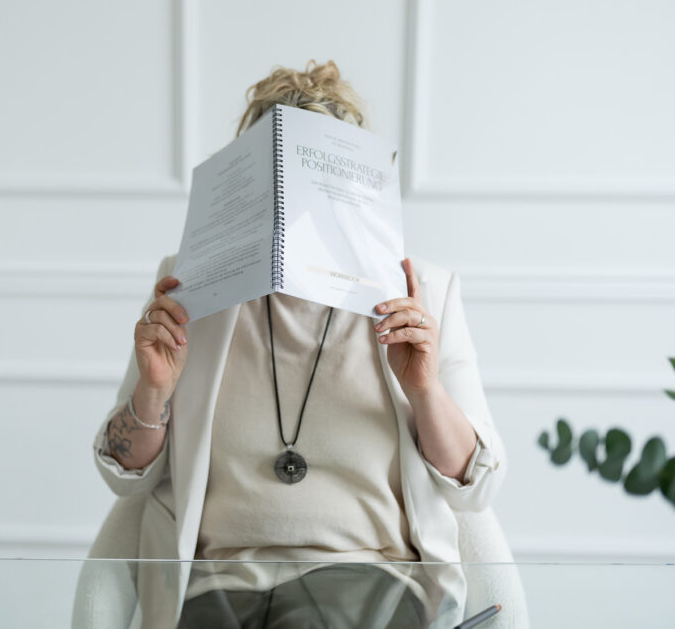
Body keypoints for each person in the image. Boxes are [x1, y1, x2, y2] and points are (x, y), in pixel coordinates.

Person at [92, 60, 507, 629]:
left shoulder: (423, 293)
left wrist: (425, 389)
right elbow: (121, 475)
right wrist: (153, 392)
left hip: (368, 579)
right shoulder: (191, 285)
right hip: (216, 583)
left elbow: (477, 487)